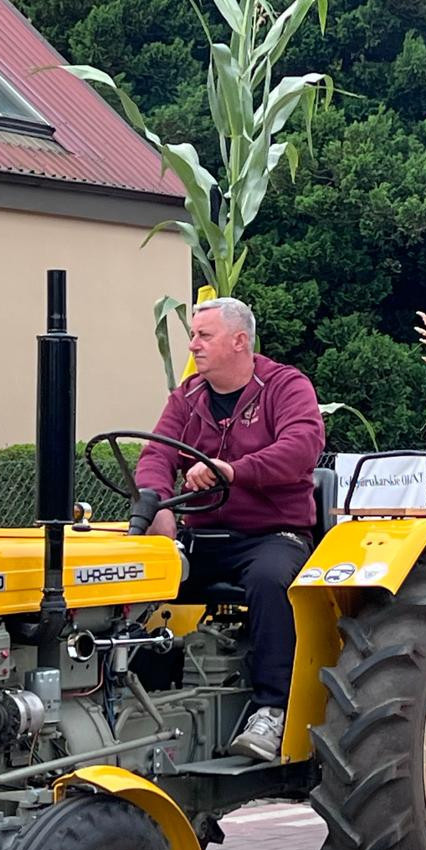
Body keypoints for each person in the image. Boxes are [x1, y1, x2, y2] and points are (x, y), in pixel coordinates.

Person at [135, 297, 325, 763]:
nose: (193, 345)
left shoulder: (284, 386)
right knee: (133, 570)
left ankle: (273, 709)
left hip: (270, 534)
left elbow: (302, 445)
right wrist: (155, 501)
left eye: (204, 335)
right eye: (193, 335)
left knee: (269, 580)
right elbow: (157, 454)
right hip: (203, 536)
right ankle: (129, 690)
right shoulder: (187, 397)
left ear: (239, 341)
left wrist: (234, 471)